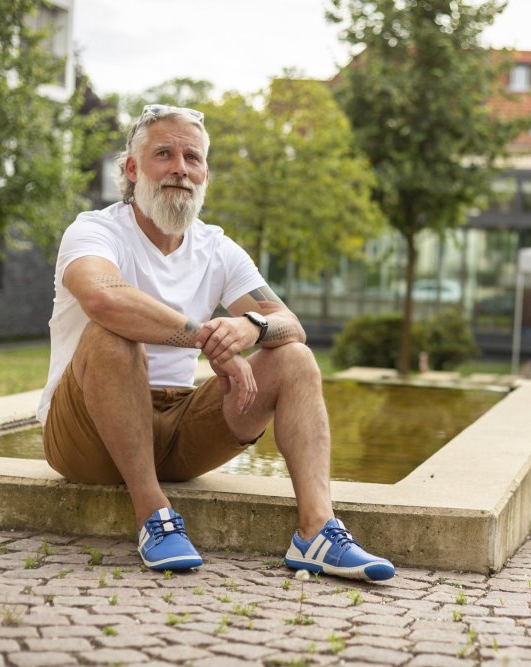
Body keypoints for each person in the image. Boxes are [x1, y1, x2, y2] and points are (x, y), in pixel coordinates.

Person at [37, 104, 394, 582]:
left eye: (193, 158)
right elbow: (105, 299)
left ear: (205, 174)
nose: (180, 169)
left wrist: (252, 327)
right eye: (164, 154)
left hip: (178, 426)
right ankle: (153, 515)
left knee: (295, 358)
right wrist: (206, 338)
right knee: (111, 335)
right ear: (131, 168)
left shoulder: (218, 247)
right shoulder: (95, 230)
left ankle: (316, 532)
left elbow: (290, 323)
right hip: (86, 433)